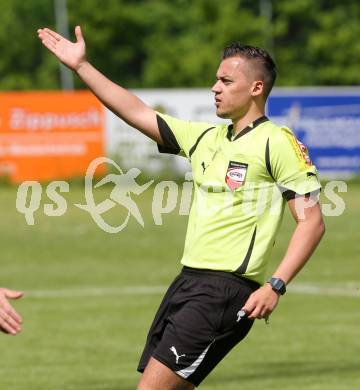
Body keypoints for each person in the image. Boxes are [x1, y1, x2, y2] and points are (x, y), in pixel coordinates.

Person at [37, 26, 325, 390]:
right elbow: (137, 112)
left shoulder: (277, 142)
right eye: (215, 79)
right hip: (187, 283)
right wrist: (82, 67)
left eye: (225, 80)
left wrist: (276, 285)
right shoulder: (205, 138)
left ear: (256, 88)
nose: (214, 88)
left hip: (224, 292)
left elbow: (311, 221)